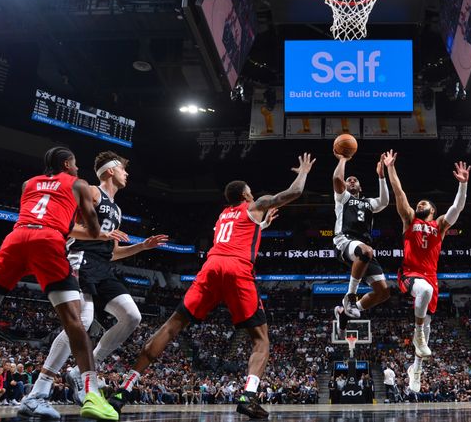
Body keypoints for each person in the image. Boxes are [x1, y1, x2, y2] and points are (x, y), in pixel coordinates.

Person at [108, 152, 316, 420]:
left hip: (211, 267)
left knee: (171, 327)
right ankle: (248, 396)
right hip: (236, 269)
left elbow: (238, 235)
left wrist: (262, 225)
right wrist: (304, 171)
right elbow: (294, 192)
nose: (253, 196)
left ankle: (123, 390)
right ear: (244, 195)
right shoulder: (254, 205)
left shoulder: (223, 216)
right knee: (261, 340)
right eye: (250, 193)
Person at [0, 146, 119, 420]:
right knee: (75, 321)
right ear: (66, 164)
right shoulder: (79, 183)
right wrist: (102, 234)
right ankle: (92, 395)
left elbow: (43, 210)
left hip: (16, 240)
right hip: (47, 242)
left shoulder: (29, 183)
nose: (77, 169)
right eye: (74, 164)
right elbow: (93, 228)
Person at [24, 151, 168, 412]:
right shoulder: (91, 191)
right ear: (111, 171)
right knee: (83, 322)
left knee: (132, 316)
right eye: (124, 170)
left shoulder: (117, 208)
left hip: (102, 267)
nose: (127, 174)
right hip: (80, 258)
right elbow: (65, 226)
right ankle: (40, 388)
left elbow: (113, 252)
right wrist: (100, 233)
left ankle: (85, 370)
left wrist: (142, 247)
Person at [383, 151, 470, 394]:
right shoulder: (409, 219)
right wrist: (391, 168)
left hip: (430, 275)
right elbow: (399, 193)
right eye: (419, 202)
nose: (420, 204)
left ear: (432, 210)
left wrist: (463, 185)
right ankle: (417, 331)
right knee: (424, 295)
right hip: (410, 273)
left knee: (428, 328)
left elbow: (456, 208)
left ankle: (416, 369)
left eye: (425, 203)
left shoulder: (439, 225)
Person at [331, 151, 390, 330]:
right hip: (344, 240)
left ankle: (346, 311)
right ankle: (350, 297)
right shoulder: (343, 198)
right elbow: (336, 179)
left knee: (383, 292)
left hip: (363, 245)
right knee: (366, 251)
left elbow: (385, 201)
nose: (351, 181)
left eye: (355, 180)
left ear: (361, 187)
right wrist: (342, 160)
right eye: (349, 180)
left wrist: (381, 176)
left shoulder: (368, 203)